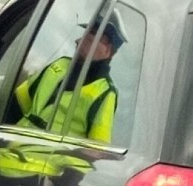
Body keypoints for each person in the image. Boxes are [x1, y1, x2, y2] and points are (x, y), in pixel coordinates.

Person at [14, 12, 127, 143]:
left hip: (53, 160)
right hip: (15, 150)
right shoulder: (59, 65)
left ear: (108, 51)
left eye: (89, 39)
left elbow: (97, 149)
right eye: (83, 36)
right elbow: (19, 100)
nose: (77, 41)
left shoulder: (105, 92)